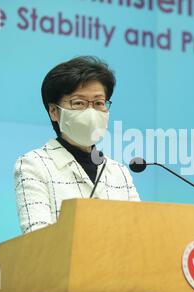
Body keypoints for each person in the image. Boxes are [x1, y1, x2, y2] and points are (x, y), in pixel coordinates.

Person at [14, 56, 140, 234]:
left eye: (98, 103)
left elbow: (139, 233)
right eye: (79, 103)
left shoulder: (119, 172)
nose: (91, 112)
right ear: (54, 112)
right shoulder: (33, 165)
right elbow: (37, 239)